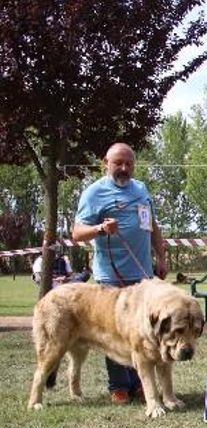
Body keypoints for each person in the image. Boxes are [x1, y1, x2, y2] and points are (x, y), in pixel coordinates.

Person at [72, 143, 167, 405]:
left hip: (143, 276)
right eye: (118, 163)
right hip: (110, 278)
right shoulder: (94, 193)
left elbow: (153, 226)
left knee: (142, 332)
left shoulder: (141, 189)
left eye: (129, 163)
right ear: (106, 163)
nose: (124, 168)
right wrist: (101, 229)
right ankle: (118, 386)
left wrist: (161, 256)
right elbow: (77, 233)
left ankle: (138, 382)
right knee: (115, 332)